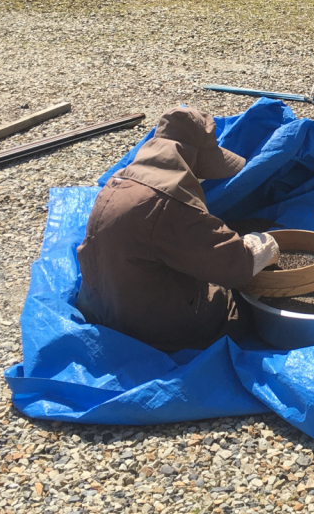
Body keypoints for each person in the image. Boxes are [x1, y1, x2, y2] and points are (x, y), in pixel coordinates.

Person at [75, 106, 281, 351]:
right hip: (149, 331)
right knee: (235, 302)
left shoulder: (120, 180)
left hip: (102, 309)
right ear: (192, 160)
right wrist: (263, 246)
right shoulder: (169, 205)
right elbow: (234, 265)